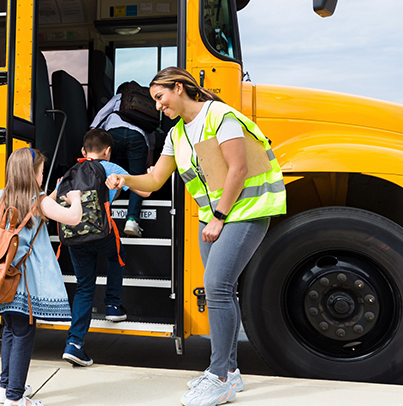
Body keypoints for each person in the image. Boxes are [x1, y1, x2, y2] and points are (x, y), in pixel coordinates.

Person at [106, 67, 286, 406]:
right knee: (222, 290)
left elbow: (239, 168)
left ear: (179, 88)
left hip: (246, 212)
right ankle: (229, 373)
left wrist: (219, 217)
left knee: (217, 287)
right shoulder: (176, 134)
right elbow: (156, 179)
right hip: (215, 219)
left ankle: (218, 377)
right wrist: (125, 180)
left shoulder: (220, 116)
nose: (157, 106)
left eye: (160, 97)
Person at [0, 148, 82, 406]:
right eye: (41, 172)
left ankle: (6, 386)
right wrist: (74, 197)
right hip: (25, 283)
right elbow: (73, 218)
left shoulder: (0, 197)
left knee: (10, 329)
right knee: (23, 334)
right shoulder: (39, 201)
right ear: (32, 174)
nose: (42, 176)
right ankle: (15, 398)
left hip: (0, 279)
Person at [59, 129, 152, 367]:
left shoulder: (69, 173)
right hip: (102, 233)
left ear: (83, 151)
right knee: (116, 256)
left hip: (75, 236)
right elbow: (146, 190)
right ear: (108, 151)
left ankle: (75, 344)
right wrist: (149, 174)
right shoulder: (112, 168)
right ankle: (112, 305)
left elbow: (51, 200)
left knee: (84, 287)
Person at [91, 81, 150, 238]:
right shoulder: (144, 107)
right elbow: (150, 138)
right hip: (137, 137)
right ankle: (132, 220)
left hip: (113, 135)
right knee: (136, 178)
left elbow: (99, 117)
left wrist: (91, 137)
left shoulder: (118, 97)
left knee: (110, 172)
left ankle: (104, 214)